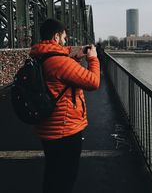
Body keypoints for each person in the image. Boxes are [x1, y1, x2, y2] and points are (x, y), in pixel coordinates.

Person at [29, 18, 100, 193]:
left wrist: (81, 51)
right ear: (56, 36)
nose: (65, 42)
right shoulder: (59, 62)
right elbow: (94, 82)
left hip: (48, 126)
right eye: (64, 38)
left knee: (53, 173)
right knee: (65, 178)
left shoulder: (40, 55)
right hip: (65, 129)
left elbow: (63, 51)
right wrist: (93, 59)